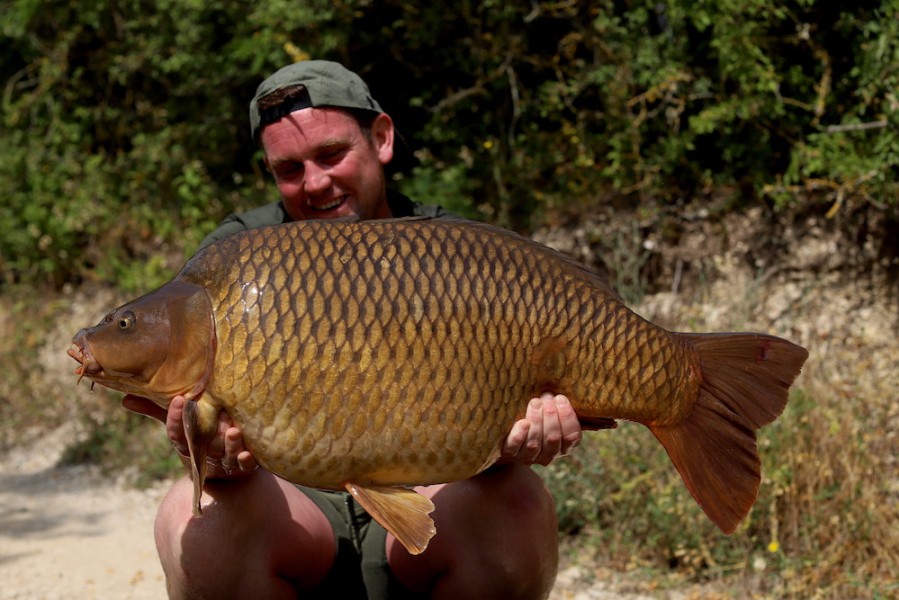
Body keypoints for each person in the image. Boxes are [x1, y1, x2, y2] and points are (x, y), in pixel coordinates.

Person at [125, 60, 584, 599]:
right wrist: (213, 457)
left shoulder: (454, 251)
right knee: (190, 518)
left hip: (433, 512)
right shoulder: (235, 260)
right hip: (298, 518)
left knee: (520, 506)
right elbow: (213, 448)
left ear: (383, 138)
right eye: (289, 169)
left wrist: (510, 440)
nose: (315, 183)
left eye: (331, 155)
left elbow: (501, 435)